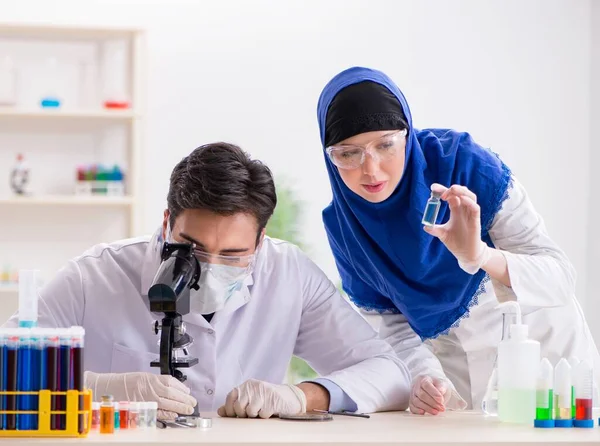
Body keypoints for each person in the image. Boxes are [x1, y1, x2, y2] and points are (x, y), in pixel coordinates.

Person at [3, 142, 410, 419]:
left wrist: (301, 396)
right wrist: (98, 389)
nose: (210, 267)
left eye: (233, 255)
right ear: (167, 223)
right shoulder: (94, 275)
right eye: (191, 248)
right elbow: (6, 366)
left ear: (261, 240)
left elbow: (390, 374)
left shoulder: (289, 274)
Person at [316, 66, 599, 415]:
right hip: (458, 371)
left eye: (386, 145)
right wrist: (423, 377)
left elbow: (560, 278)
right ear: (330, 156)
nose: (371, 169)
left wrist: (479, 254)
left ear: (407, 134)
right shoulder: (344, 225)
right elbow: (388, 322)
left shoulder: (464, 165)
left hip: (544, 351)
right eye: (348, 154)